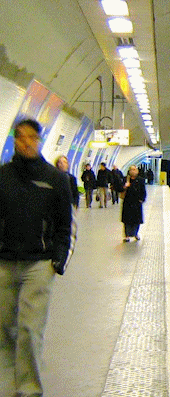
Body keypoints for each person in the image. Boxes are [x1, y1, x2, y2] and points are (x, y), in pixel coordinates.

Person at [0, 119, 74, 397]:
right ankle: (9, 384)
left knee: (29, 328)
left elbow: (66, 223)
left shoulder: (55, 179)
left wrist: (59, 259)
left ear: (40, 141)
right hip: (4, 262)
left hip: (39, 264)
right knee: (5, 328)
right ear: (15, 141)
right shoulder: (3, 176)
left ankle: (29, 389)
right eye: (21, 138)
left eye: (32, 137)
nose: (27, 142)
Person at [121, 165, 146, 242]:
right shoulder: (125, 179)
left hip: (136, 203)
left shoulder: (141, 180)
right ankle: (127, 236)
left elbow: (143, 191)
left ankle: (136, 233)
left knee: (136, 220)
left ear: (137, 171)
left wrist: (142, 199)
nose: (133, 171)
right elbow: (119, 188)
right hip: (127, 202)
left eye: (134, 170)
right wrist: (125, 186)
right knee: (127, 221)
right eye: (131, 170)